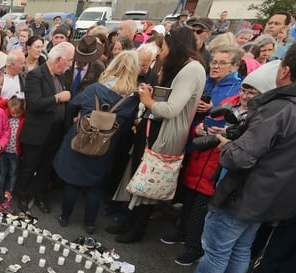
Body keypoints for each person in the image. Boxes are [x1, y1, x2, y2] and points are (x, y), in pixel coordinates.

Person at [162, 40, 296, 273]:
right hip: (273, 198)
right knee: (242, 246)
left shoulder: (279, 108)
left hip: (246, 191)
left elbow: (241, 157)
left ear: (285, 70)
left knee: (218, 245)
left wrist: (226, 145)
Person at [109, 27, 206, 243]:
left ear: (175, 47)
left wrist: (148, 102)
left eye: (163, 47)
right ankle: (128, 219)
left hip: (165, 133)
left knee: (149, 180)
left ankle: (137, 228)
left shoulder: (192, 69)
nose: (161, 52)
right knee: (137, 173)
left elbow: (171, 109)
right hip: (152, 127)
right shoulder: (179, 67)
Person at [161, 44, 243, 265]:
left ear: (234, 66)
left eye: (221, 62)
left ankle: (194, 246)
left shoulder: (238, 89)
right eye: (214, 61)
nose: (215, 66)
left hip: (216, 153)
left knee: (203, 202)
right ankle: (182, 231)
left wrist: (212, 110)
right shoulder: (205, 81)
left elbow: (236, 120)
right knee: (189, 193)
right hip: (196, 145)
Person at [53, 51, 140, 234]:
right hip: (106, 145)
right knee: (95, 186)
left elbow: (72, 106)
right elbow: (127, 127)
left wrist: (73, 124)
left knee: (72, 181)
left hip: (80, 138)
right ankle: (90, 224)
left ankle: (64, 217)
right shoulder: (132, 99)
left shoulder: (95, 89)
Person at [16, 42, 74, 214]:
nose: (70, 64)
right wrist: (57, 98)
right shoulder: (36, 75)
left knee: (46, 167)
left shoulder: (62, 76)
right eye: (69, 60)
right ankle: (23, 197)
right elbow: (34, 104)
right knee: (29, 166)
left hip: (54, 132)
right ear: (58, 59)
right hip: (37, 131)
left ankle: (40, 197)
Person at [0, 96, 24, 214]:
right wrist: (7, 102)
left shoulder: (23, 120)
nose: (15, 115)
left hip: (15, 152)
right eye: (13, 112)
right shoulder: (6, 117)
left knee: (13, 172)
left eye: (18, 113)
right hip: (4, 150)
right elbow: (0, 104)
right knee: (2, 171)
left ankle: (9, 191)